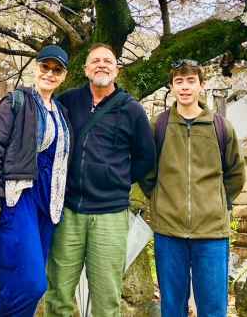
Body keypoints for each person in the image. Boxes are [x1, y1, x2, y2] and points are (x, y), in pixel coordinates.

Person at [44, 43, 156, 317]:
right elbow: (40, 114)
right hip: (68, 210)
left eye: (108, 60)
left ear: (117, 69)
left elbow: (146, 158)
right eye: (95, 61)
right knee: (58, 292)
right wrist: (7, 105)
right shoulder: (68, 101)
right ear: (85, 69)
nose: (102, 65)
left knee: (106, 297)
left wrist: (116, 178)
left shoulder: (132, 110)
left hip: (110, 213)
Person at [0, 45, 73, 317]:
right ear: (35, 67)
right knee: (32, 284)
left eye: (57, 70)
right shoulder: (16, 102)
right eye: (45, 67)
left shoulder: (62, 112)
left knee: (20, 284)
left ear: (64, 76)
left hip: (48, 207)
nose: (50, 74)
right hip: (19, 201)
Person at [140, 59, 245, 317]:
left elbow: (235, 174)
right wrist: (162, 202)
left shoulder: (221, 127)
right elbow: (146, 173)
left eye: (190, 81)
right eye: (179, 82)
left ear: (202, 85)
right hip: (169, 231)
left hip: (211, 233)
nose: (185, 87)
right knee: (172, 306)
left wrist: (217, 202)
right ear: (171, 87)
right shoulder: (158, 126)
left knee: (213, 307)